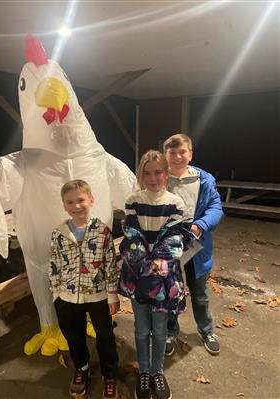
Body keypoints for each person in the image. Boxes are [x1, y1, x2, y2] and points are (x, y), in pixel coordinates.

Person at [118, 150, 193, 399]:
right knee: (141, 330)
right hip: (137, 277)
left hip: (163, 279)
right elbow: (131, 238)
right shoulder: (132, 200)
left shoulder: (175, 203)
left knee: (160, 331)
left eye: (158, 172)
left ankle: (158, 371)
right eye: (147, 173)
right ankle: (145, 372)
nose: (153, 178)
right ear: (140, 174)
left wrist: (152, 275)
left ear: (166, 173)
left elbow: (173, 242)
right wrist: (142, 272)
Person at [49, 179, 120, 399]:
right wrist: (56, 294)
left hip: (98, 296)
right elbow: (54, 264)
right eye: (70, 202)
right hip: (67, 298)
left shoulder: (102, 231)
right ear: (64, 206)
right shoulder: (58, 233)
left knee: (105, 336)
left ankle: (109, 375)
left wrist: (112, 294)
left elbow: (110, 263)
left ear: (91, 200)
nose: (76, 206)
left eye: (80, 200)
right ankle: (82, 369)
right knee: (74, 337)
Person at [163, 133, 224, 357]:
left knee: (199, 294)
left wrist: (200, 225)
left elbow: (216, 208)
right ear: (165, 155)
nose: (178, 157)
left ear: (190, 154)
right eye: (172, 152)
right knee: (169, 293)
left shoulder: (204, 179)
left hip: (196, 246)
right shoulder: (160, 178)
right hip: (168, 246)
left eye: (182, 152)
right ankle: (170, 331)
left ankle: (206, 331)